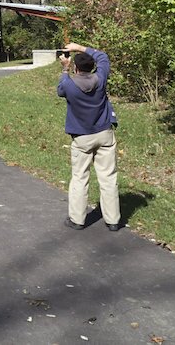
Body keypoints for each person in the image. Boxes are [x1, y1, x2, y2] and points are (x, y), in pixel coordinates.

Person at [57, 42, 121, 231]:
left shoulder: (69, 85)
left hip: (82, 137)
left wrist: (64, 69)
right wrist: (80, 47)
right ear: (92, 67)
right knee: (108, 177)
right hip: (104, 134)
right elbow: (103, 56)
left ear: (75, 67)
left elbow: (60, 89)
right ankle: (113, 221)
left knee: (80, 177)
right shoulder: (100, 79)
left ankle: (77, 220)